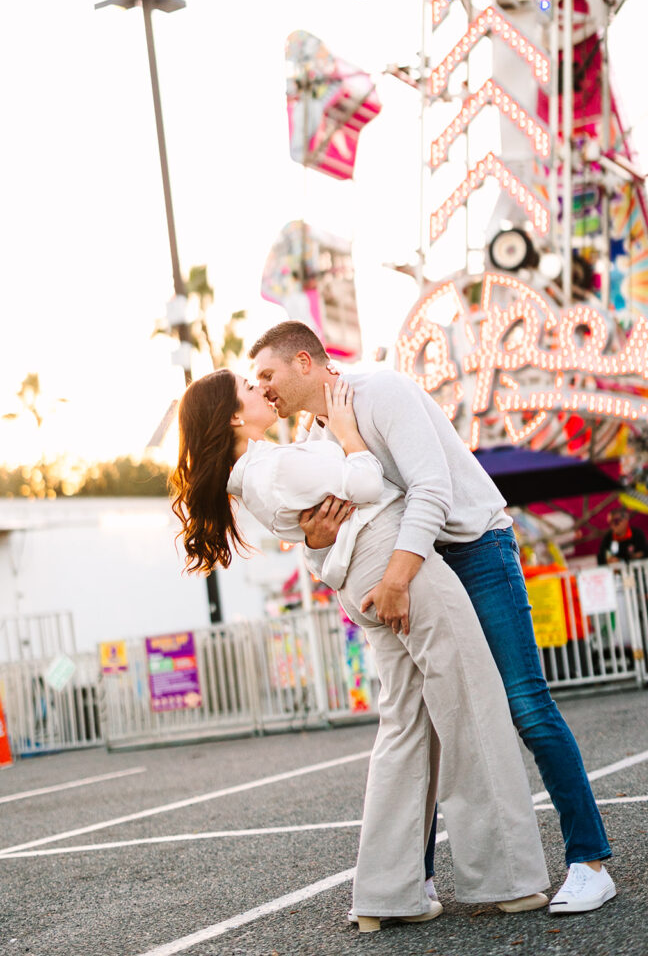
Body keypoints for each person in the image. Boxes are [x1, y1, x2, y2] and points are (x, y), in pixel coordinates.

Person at [249, 320, 617, 916]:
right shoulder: (318, 434)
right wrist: (316, 542)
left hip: (474, 549)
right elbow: (341, 528)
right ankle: (413, 881)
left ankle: (589, 861)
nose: (261, 387)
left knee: (524, 701)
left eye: (267, 374)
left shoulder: (379, 392)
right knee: (421, 720)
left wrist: (396, 579)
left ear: (304, 361)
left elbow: (432, 487)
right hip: (421, 564)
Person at [169, 368, 549, 932]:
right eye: (250, 388)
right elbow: (366, 485)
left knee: (406, 725)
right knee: (472, 701)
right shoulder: (272, 463)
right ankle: (509, 879)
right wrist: (348, 434)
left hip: (358, 577)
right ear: (231, 416)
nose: (262, 391)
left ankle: (386, 894)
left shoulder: (251, 477)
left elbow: (321, 530)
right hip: (394, 564)